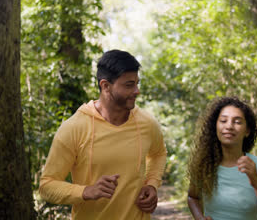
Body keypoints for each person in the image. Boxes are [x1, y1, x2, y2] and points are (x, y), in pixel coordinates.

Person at [39, 49, 167, 220]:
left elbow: (158, 153)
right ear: (105, 86)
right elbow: (47, 186)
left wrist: (151, 185)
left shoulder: (147, 123)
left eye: (137, 83)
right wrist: (85, 191)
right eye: (129, 85)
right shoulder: (74, 128)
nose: (137, 91)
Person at [187, 96, 257, 220]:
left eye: (237, 122)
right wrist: (199, 217)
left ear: (247, 131)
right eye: (223, 121)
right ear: (215, 127)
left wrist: (256, 182)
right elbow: (192, 197)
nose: (229, 126)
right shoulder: (205, 165)